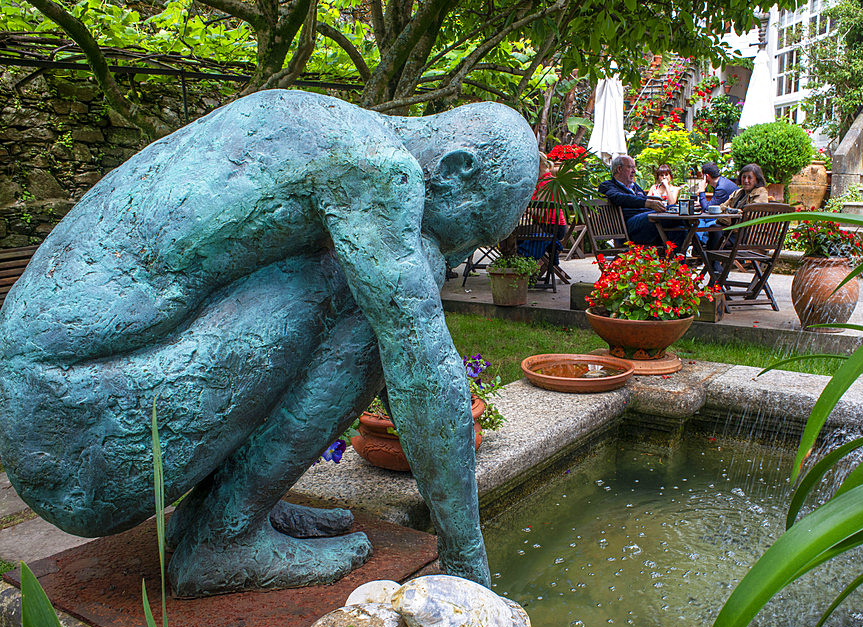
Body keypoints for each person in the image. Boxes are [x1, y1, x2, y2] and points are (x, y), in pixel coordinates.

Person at [0, 90, 537, 596]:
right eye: (475, 231)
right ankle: (221, 541)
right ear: (455, 169)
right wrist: (467, 565)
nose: (462, 251)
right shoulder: (379, 172)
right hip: (82, 443)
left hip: (59, 415)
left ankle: (223, 511)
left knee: (370, 288)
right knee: (384, 308)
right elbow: (423, 364)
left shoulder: (321, 125)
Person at [598, 155, 673, 247]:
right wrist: (647, 203)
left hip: (647, 224)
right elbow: (618, 197)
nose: (634, 171)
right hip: (629, 230)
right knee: (672, 212)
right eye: (630, 167)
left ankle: (677, 260)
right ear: (619, 169)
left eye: (634, 167)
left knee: (680, 227)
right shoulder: (607, 186)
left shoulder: (635, 187)